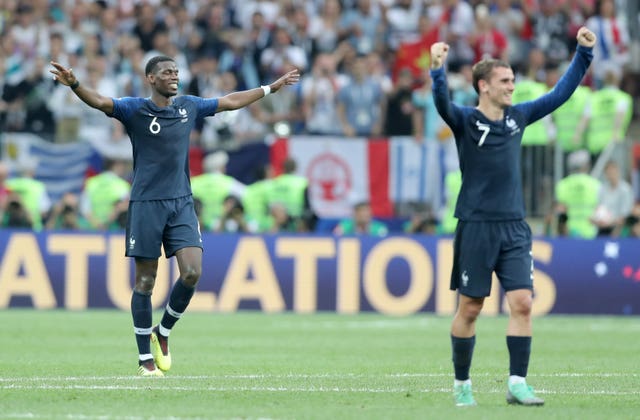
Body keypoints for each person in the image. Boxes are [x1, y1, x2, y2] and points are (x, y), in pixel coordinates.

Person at [49, 56, 299, 377]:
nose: (174, 76)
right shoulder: (134, 109)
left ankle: (162, 331)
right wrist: (75, 84)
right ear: (150, 78)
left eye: (177, 72)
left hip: (181, 203)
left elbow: (230, 101)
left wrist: (269, 89)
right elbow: (99, 101)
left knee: (192, 272)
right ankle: (145, 361)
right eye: (167, 72)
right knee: (145, 281)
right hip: (145, 204)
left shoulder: (189, 106)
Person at [429, 26, 596, 406]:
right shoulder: (466, 121)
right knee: (470, 308)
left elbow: (559, 95)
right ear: (483, 86)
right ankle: (462, 385)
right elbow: (441, 104)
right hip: (475, 226)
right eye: (504, 81)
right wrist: (437, 71)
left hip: (515, 227)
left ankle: (517, 383)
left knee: (522, 302)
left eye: (512, 80)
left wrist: (583, 54)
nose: (512, 87)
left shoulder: (518, 117)